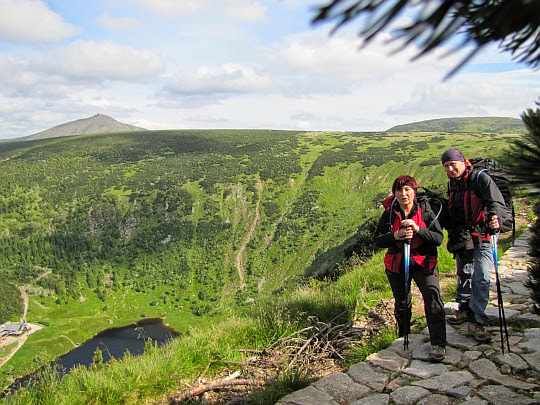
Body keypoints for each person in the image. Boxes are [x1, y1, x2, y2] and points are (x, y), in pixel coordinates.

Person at [375, 175, 447, 361]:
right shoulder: (390, 213)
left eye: (407, 189)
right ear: (395, 193)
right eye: (399, 190)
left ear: (414, 191)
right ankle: (402, 337)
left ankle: (438, 344)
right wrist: (395, 236)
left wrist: (417, 229)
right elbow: (378, 240)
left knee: (432, 298)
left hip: (424, 261)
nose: (403, 194)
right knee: (402, 303)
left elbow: (438, 238)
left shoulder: (426, 210)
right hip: (398, 263)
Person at [441, 148, 507, 342]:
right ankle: (465, 310)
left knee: (482, 277)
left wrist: (495, 218)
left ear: (463, 162)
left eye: (453, 164)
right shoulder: (452, 184)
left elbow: (496, 203)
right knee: (465, 273)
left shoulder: (481, 179)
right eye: (446, 166)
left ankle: (477, 320)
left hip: (484, 235)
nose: (451, 168)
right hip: (463, 236)